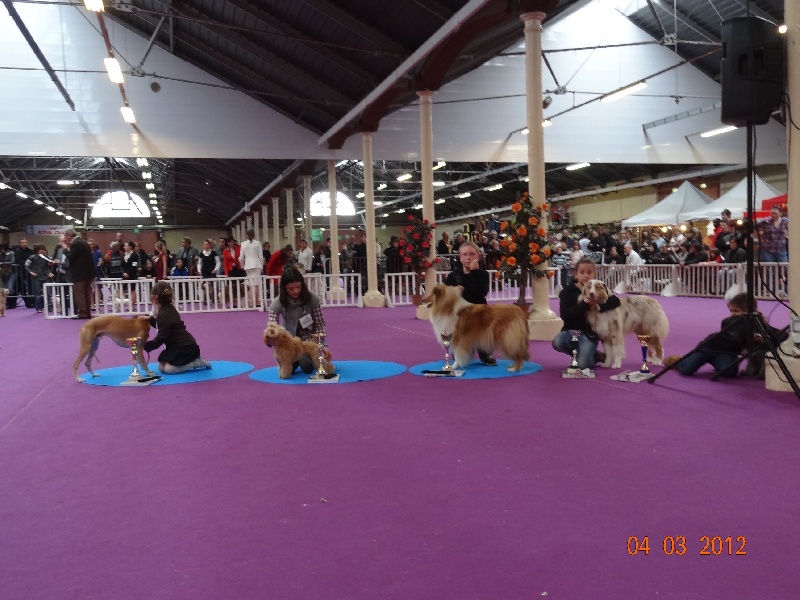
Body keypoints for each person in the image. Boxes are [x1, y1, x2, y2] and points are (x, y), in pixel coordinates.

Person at [669, 293, 787, 379]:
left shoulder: (758, 322)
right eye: (731, 311)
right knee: (687, 370)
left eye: (736, 311)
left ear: (749, 310)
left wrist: (764, 336)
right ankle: (680, 361)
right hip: (708, 347)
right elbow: (736, 336)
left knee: (730, 374)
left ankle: (713, 362)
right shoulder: (728, 321)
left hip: (727, 353)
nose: (732, 314)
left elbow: (778, 335)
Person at [552, 257, 619, 369]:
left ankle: (589, 355)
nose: (585, 275)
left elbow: (615, 301)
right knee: (557, 342)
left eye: (589, 272)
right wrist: (585, 304)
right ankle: (591, 354)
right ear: (575, 274)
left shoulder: (598, 287)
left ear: (594, 273)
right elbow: (566, 315)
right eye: (582, 272)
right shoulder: (567, 291)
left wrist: (597, 306)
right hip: (571, 331)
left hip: (589, 334)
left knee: (583, 365)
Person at [267, 268, 331, 374]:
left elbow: (320, 324)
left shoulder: (313, 298)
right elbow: (271, 325)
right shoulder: (277, 302)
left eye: (298, 287)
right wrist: (273, 339)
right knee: (287, 365)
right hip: (289, 343)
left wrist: (323, 346)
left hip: (308, 342)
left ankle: (306, 360)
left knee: (307, 367)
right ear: (284, 288)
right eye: (291, 289)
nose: (296, 291)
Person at [444, 241, 496, 365]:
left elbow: (481, 293)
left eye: (472, 254)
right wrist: (454, 292)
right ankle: (460, 351)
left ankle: (485, 353)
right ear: (460, 257)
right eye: (465, 254)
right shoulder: (453, 276)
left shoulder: (483, 274)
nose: (468, 257)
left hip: (478, 311)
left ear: (478, 256)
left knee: (482, 325)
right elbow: (445, 297)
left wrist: (474, 272)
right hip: (459, 315)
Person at [143, 281, 210, 374]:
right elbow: (162, 326)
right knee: (161, 367)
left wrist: (144, 345)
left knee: (169, 370)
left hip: (185, 347)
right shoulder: (167, 309)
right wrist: (150, 319)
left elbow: (162, 337)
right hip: (175, 346)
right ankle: (191, 361)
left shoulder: (165, 313)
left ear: (154, 298)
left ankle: (195, 362)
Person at [64, 228, 94, 319]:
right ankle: (87, 312)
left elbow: (71, 257)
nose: (65, 237)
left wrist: (65, 249)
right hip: (87, 272)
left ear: (69, 235)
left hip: (79, 273)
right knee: (86, 293)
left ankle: (82, 313)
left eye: (65, 235)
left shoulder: (76, 243)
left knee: (79, 294)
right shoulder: (83, 242)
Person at [25, 244, 53, 313]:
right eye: (41, 249)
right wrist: (31, 272)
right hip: (36, 277)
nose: (43, 250)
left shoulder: (46, 257)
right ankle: (38, 307)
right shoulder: (32, 257)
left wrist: (49, 271)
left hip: (45, 276)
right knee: (37, 294)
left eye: (43, 249)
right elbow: (26, 265)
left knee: (48, 293)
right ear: (37, 250)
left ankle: (50, 307)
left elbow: (48, 266)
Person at [241, 229, 264, 307]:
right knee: (256, 284)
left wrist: (242, 265)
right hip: (257, 264)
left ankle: (252, 302)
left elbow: (241, 257)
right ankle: (256, 301)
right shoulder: (258, 243)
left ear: (246, 235)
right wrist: (262, 266)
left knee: (251, 284)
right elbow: (261, 257)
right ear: (254, 235)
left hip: (248, 265)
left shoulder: (243, 244)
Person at [121, 241, 139, 305]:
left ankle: (132, 305)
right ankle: (118, 305)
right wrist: (123, 272)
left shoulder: (135, 255)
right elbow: (122, 265)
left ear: (130, 247)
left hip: (132, 275)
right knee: (121, 289)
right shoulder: (124, 254)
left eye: (126, 246)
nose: (124, 247)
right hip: (124, 275)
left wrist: (128, 273)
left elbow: (134, 265)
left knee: (132, 290)